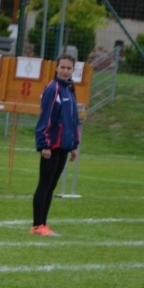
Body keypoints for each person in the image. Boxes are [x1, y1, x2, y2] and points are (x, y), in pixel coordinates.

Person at [30, 53, 80, 237]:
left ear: (73, 70)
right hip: (52, 146)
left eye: (69, 68)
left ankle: (43, 223)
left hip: (64, 146)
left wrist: (74, 144)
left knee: (51, 186)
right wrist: (44, 145)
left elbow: (73, 120)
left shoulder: (70, 89)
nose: (65, 71)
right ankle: (37, 225)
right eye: (63, 67)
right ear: (56, 68)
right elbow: (46, 119)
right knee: (44, 185)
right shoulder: (53, 89)